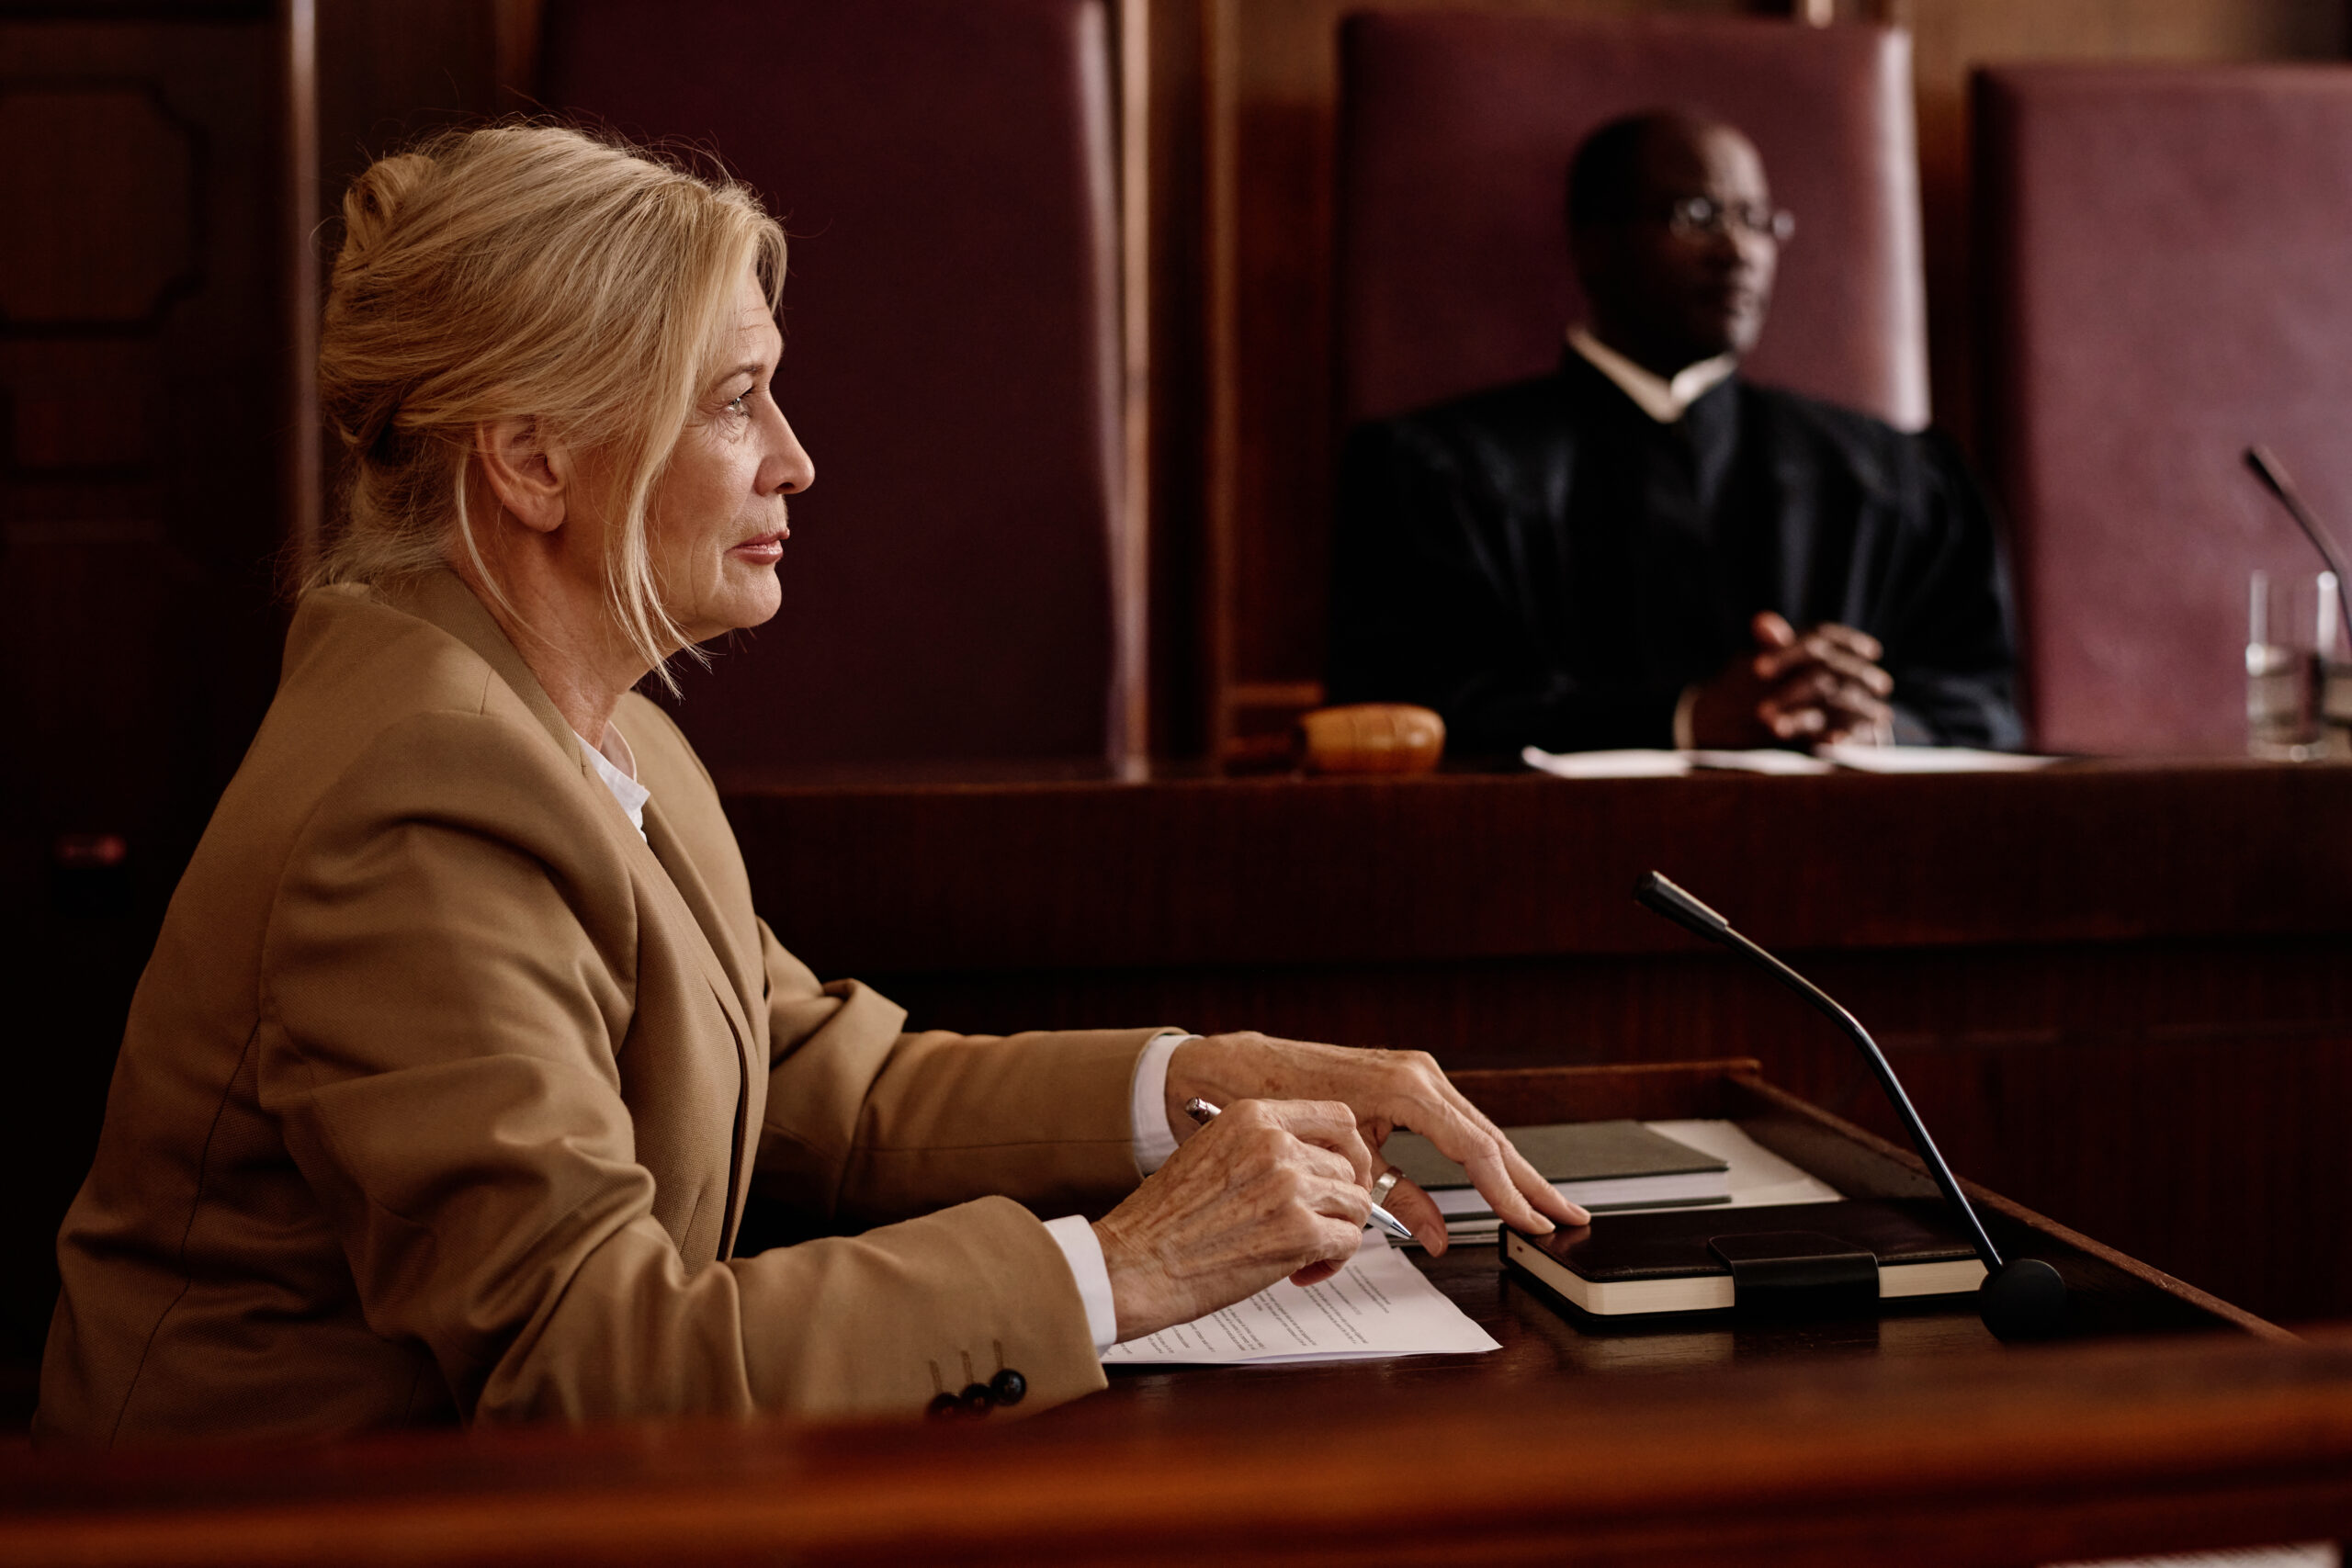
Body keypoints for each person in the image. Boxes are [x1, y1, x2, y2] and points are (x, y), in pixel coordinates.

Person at [37, 125, 1579, 1445]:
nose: (795, 459)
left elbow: (826, 1081)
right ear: (528, 458)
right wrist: (1124, 1271)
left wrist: (1203, 1076)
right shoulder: (422, 803)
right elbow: (585, 1363)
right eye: (732, 398)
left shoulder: (571, 711)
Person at [1326, 110, 2023, 755]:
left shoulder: (1892, 475)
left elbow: (1986, 707)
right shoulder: (1437, 473)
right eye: (1697, 215)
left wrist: (1867, 721)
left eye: (1757, 219)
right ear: (1593, 245)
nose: (1738, 249)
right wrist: (1687, 720)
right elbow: (1410, 713)